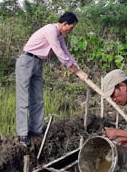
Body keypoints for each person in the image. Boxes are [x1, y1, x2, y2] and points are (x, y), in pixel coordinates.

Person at [15, 12, 87, 146]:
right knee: (24, 99)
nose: (70, 31)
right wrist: (74, 70)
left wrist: (79, 70)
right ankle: (23, 134)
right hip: (26, 61)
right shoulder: (51, 30)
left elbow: (66, 53)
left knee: (38, 99)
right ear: (64, 24)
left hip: (38, 63)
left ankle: (36, 130)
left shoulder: (59, 35)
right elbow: (59, 53)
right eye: (70, 28)